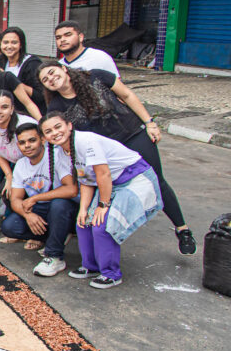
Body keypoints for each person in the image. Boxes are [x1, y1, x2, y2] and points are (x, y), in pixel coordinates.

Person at [38, 63, 195, 254]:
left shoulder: (95, 76)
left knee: (156, 180)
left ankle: (182, 229)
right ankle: (100, 243)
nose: (51, 79)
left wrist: (150, 123)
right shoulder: (56, 106)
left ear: (63, 69)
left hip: (131, 135)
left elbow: (127, 95)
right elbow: (62, 133)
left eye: (52, 72)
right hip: (104, 152)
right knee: (102, 192)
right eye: (45, 79)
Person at [40, 112, 164, 289]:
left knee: (103, 225)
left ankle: (111, 274)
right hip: (107, 183)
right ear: (45, 137)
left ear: (69, 125)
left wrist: (103, 205)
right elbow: (86, 180)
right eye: (48, 131)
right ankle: (91, 266)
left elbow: (103, 173)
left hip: (133, 178)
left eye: (58, 127)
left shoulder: (85, 141)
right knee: (83, 222)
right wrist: (83, 209)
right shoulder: (62, 152)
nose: (55, 133)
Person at [1, 122, 79, 276]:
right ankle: (54, 237)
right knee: (10, 226)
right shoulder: (22, 164)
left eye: (32, 140)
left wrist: (36, 198)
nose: (27, 146)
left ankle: (54, 256)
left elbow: (71, 189)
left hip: (65, 208)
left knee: (59, 205)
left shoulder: (56, 156)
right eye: (22, 143)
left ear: (42, 140)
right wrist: (28, 215)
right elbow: (16, 199)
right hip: (41, 209)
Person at [0, 90, 36, 237]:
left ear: (12, 109)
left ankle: (8, 220)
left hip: (26, 160)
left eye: (4, 107)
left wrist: (12, 178)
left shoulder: (24, 125)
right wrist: (9, 175)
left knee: (12, 189)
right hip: (3, 155)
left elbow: (33, 155)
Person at [0, 27, 45, 113]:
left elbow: (40, 95)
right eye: (5, 42)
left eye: (14, 42)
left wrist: (14, 83)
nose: (9, 46)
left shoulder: (32, 64)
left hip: (28, 112)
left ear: (21, 45)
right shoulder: (0, 61)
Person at [55, 20, 120, 77]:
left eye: (68, 35)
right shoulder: (57, 67)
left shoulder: (100, 57)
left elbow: (118, 87)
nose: (62, 40)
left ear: (80, 37)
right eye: (58, 37)